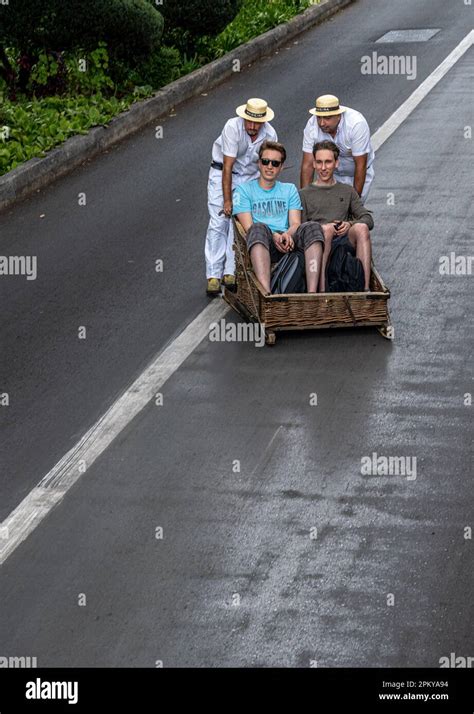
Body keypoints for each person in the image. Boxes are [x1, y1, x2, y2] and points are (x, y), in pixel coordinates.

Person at [205, 98, 277, 296]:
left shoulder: (270, 133)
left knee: (238, 224)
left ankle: (230, 271)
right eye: (249, 121)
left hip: (250, 178)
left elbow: (270, 162)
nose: (252, 126)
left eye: (257, 122)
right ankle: (213, 274)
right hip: (223, 173)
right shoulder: (232, 127)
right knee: (220, 220)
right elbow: (228, 166)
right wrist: (227, 200)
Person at [233, 141, 324, 293]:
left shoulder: (289, 189)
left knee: (313, 227)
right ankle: (266, 295)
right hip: (263, 241)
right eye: (265, 161)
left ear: (281, 167)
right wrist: (274, 236)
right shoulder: (243, 190)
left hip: (288, 240)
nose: (269, 166)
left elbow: (295, 223)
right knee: (257, 228)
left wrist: (287, 235)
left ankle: (312, 293)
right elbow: (248, 227)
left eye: (275, 163)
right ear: (259, 163)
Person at [299, 140, 374, 291]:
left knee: (362, 228)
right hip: (317, 244)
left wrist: (350, 224)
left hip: (342, 243)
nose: (323, 168)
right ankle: (321, 290)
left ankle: (365, 290)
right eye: (319, 162)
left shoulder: (347, 191)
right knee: (327, 230)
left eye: (328, 162)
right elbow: (301, 227)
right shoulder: (303, 194)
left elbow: (368, 219)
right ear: (313, 164)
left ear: (336, 163)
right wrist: (322, 229)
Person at [300, 94, 374, 202]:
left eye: (327, 118)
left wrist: (353, 203)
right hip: (330, 174)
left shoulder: (356, 124)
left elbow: (360, 165)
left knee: (350, 214)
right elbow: (307, 165)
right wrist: (303, 202)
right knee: (326, 211)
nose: (321, 123)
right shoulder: (311, 126)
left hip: (357, 174)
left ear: (338, 115)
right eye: (319, 118)